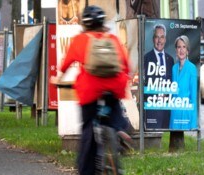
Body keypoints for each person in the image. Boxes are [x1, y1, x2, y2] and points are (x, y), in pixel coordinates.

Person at [51, 5, 132, 175]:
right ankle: (120, 130)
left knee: (88, 130)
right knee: (114, 112)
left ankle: (86, 170)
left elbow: (65, 65)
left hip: (90, 91)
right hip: (114, 88)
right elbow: (125, 65)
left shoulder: (80, 40)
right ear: (102, 23)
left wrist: (57, 79)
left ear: (85, 24)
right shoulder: (112, 39)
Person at [143, 23, 174, 129]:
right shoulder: (146, 59)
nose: (159, 40)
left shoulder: (170, 60)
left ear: (165, 39)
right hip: (152, 108)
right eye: (157, 37)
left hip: (166, 107)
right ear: (153, 39)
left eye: (162, 37)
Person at [170, 35, 198, 130]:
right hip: (175, 113)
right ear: (176, 50)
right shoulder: (173, 68)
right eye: (179, 47)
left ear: (187, 50)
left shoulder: (192, 68)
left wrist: (193, 123)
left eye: (184, 47)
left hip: (186, 113)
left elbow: (194, 97)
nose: (181, 50)